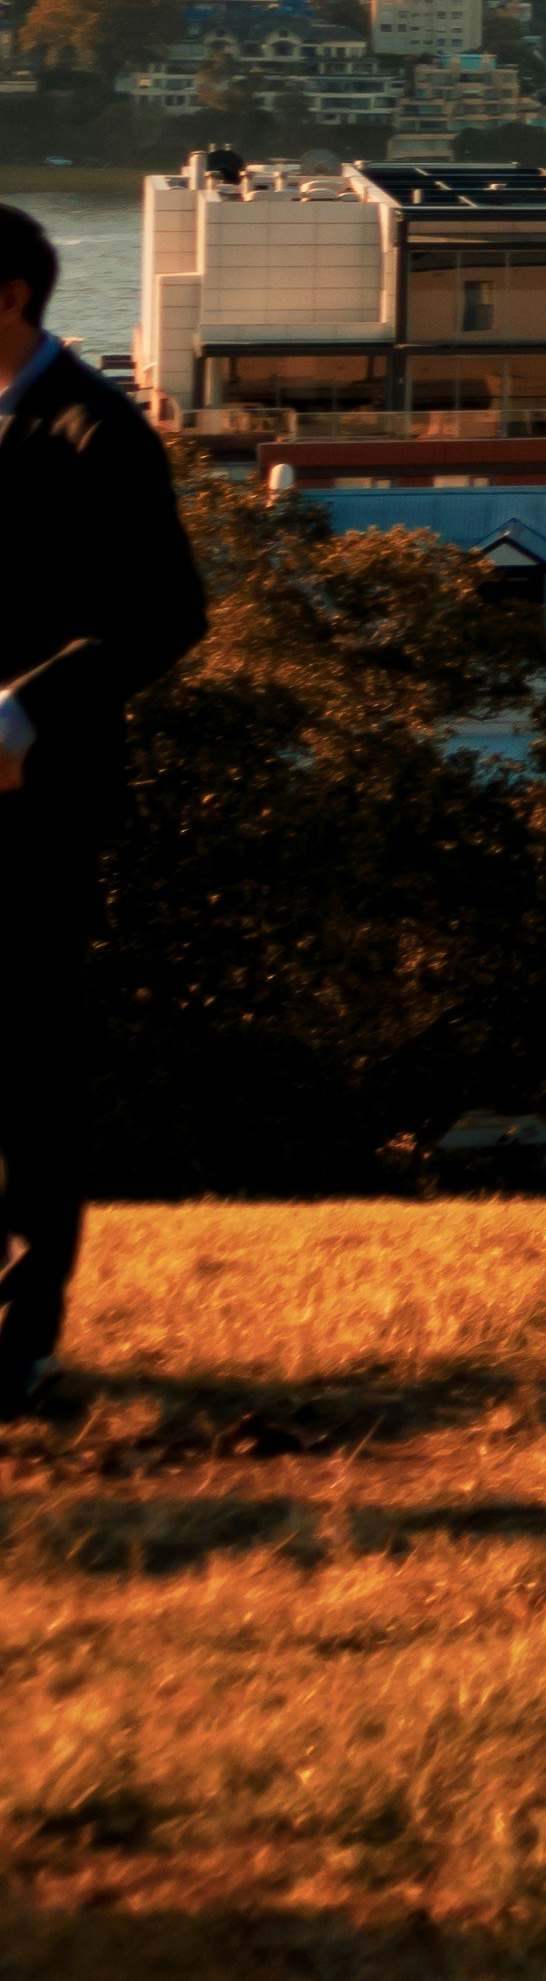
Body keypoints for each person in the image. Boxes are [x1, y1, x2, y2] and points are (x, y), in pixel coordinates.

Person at [0, 202, 207, 1402]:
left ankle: (21, 1339)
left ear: (10, 297)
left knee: (26, 1066)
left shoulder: (98, 431)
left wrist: (23, 712)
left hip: (38, 799)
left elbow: (168, 614)